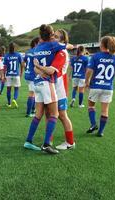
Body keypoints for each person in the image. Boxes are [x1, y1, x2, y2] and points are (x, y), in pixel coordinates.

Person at [24, 24, 66, 155]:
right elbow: (68, 46)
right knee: (54, 114)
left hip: (36, 82)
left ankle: (28, 141)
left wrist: (39, 68)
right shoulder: (54, 46)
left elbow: (35, 67)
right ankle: (47, 144)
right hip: (48, 83)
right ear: (51, 35)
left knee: (38, 114)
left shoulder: (36, 48)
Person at [85, 36, 115, 137]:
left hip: (95, 86)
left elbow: (89, 70)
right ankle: (100, 132)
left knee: (91, 106)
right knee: (105, 111)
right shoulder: (114, 57)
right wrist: (111, 78)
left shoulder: (96, 56)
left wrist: (87, 81)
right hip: (108, 88)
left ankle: (93, 124)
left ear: (102, 44)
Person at [52, 29, 75, 150]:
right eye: (53, 35)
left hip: (60, 89)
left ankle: (70, 142)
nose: (53, 38)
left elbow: (55, 72)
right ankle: (48, 141)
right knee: (50, 115)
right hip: (54, 88)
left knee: (62, 115)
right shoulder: (57, 50)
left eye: (56, 37)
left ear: (62, 40)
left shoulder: (62, 52)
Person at [3, 42, 24, 108]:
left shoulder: (6, 55)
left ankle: (9, 103)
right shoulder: (18, 55)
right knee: (16, 89)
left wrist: (4, 75)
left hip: (9, 74)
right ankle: (14, 99)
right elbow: (22, 65)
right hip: (16, 74)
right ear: (15, 48)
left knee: (8, 89)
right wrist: (21, 73)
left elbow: (5, 67)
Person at [23, 37, 39, 117]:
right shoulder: (37, 52)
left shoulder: (28, 51)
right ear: (36, 43)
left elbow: (24, 61)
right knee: (32, 93)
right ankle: (29, 113)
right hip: (33, 75)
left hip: (27, 74)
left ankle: (33, 110)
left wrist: (26, 68)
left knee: (34, 92)